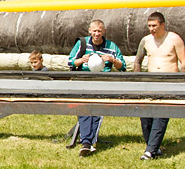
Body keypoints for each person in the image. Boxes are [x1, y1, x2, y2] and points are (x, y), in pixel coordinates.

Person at [67, 19, 126, 157]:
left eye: (99, 31)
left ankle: (88, 141)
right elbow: (70, 61)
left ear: (104, 31)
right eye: (94, 31)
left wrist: (112, 60)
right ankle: (86, 142)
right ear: (89, 31)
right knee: (83, 109)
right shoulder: (82, 44)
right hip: (84, 81)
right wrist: (81, 60)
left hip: (102, 82)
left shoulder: (111, 46)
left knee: (97, 111)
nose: (97, 34)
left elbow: (122, 67)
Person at [133, 11, 185, 160]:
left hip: (169, 83)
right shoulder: (146, 40)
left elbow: (183, 62)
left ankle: (149, 151)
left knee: (160, 115)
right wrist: (138, 80)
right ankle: (154, 147)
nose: (152, 29)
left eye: (154, 25)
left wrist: (181, 83)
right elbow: (138, 61)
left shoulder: (174, 39)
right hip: (150, 83)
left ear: (162, 24)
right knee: (145, 116)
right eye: (149, 26)